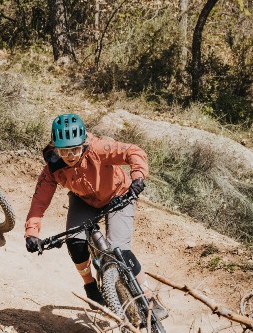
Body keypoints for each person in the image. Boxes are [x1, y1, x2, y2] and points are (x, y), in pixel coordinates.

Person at [24, 114, 162, 313]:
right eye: (64, 151)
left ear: (84, 144)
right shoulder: (52, 169)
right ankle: (90, 285)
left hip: (119, 196)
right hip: (84, 201)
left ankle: (149, 299)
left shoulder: (98, 148)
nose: (71, 155)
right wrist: (32, 233)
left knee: (120, 249)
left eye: (75, 149)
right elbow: (39, 202)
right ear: (55, 149)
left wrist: (138, 177)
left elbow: (133, 151)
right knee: (75, 241)